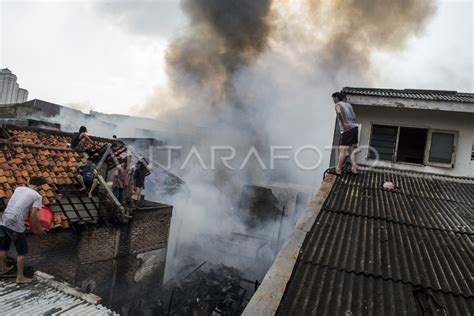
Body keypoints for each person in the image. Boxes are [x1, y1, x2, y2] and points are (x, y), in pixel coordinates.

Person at [0, 177, 46, 284]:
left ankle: (3, 269)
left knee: (3, 246)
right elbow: (34, 215)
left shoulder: (18, 188)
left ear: (29, 182)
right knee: (22, 251)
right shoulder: (37, 196)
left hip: (4, 218)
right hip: (15, 221)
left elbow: (20, 203)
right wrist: (39, 229)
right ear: (39, 187)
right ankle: (20, 277)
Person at [332, 92, 359, 175]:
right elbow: (354, 116)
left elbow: (339, 112)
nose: (333, 100)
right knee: (351, 150)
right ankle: (354, 168)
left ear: (336, 98)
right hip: (355, 127)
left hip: (347, 129)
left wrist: (344, 123)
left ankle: (338, 169)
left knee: (342, 149)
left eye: (333, 98)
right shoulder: (349, 105)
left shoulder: (337, 105)